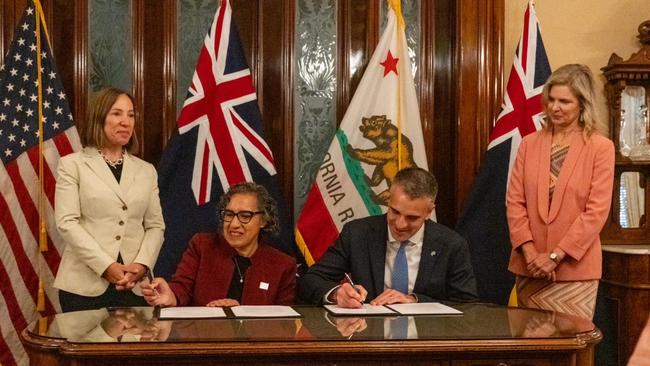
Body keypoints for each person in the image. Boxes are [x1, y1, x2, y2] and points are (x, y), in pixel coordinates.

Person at [507, 64, 615, 320]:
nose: (555, 107)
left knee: (570, 350)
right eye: (551, 99)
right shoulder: (529, 144)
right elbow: (514, 202)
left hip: (574, 271)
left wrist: (555, 256)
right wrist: (531, 254)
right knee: (530, 351)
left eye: (564, 101)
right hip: (530, 268)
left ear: (582, 104)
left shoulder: (601, 147)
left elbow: (595, 213)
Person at [298, 167, 478, 308]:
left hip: (427, 343)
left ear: (429, 212)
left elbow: (467, 305)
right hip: (368, 339)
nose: (400, 224)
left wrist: (414, 301)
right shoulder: (358, 233)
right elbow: (310, 280)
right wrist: (337, 293)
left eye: (412, 218)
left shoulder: (451, 244)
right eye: (395, 211)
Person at [54, 87, 165, 312]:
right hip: (84, 287)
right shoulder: (72, 164)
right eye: (117, 114)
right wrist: (106, 266)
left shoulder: (146, 170)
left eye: (131, 115)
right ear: (99, 118)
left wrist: (142, 265)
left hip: (134, 286)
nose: (126, 122)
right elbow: (67, 222)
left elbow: (155, 226)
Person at [142, 182, 296, 307]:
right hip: (203, 340)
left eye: (245, 216)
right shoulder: (202, 246)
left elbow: (283, 323)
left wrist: (239, 312)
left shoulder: (283, 265)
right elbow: (181, 287)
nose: (234, 224)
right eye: (229, 214)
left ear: (263, 220)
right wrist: (171, 296)